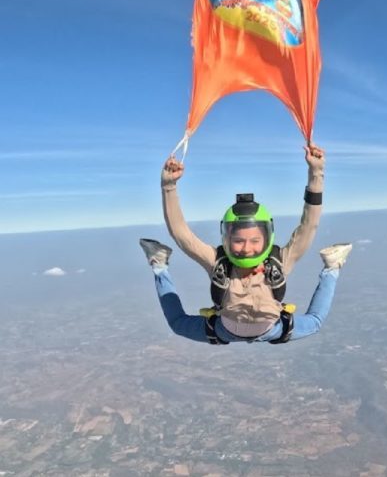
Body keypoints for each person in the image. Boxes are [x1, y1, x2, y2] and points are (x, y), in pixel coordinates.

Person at [140, 144, 352, 344]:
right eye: (238, 241)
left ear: (267, 239)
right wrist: (169, 186)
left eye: (255, 241)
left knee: (315, 322)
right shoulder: (218, 263)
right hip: (230, 329)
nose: (247, 248)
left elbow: (309, 225)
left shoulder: (279, 261)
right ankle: (159, 265)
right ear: (227, 240)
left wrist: (316, 172)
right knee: (313, 322)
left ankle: (332, 267)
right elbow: (181, 233)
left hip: (265, 329)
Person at [140, 239, 352, 344]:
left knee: (178, 323)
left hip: (226, 327)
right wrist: (315, 177)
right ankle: (332, 267)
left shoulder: (222, 266)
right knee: (314, 321)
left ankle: (159, 263)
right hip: (268, 327)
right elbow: (307, 229)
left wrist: (168, 187)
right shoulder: (273, 265)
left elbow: (181, 233)